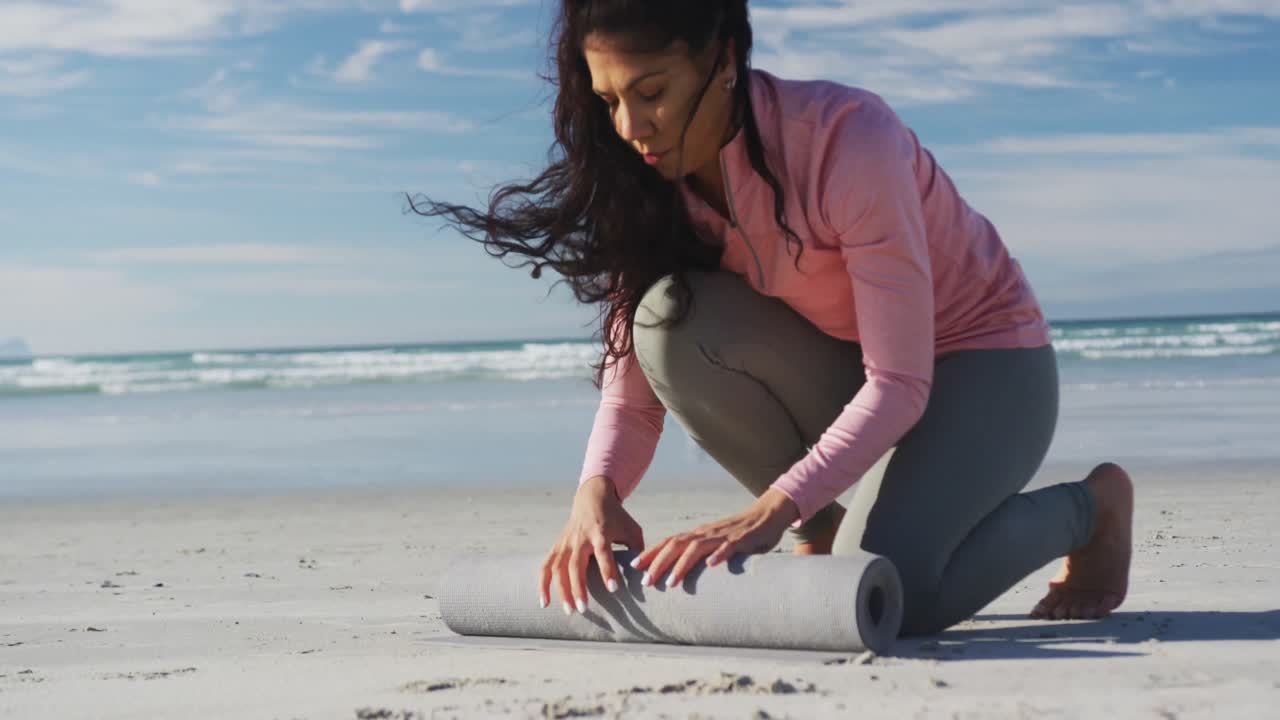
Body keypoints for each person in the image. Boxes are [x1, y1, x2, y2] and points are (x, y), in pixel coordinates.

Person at [411, 0, 1134, 637]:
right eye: (609, 101)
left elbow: (901, 383)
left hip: (984, 366)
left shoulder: (850, 141)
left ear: (721, 59)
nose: (632, 126)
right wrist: (595, 495)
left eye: (652, 91)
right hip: (850, 369)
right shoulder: (644, 182)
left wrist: (770, 510)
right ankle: (824, 532)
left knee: (897, 595)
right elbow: (634, 392)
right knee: (667, 321)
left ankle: (1089, 511)